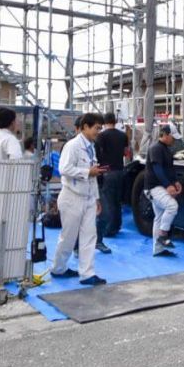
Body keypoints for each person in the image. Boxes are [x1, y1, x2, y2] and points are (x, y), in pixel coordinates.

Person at [50, 112, 107, 286]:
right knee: (68, 237)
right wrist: (86, 172)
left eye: (100, 128)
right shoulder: (72, 146)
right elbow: (64, 168)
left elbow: (93, 175)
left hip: (88, 198)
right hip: (72, 197)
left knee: (90, 236)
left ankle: (87, 274)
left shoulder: (91, 147)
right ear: (85, 127)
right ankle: (58, 268)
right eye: (96, 128)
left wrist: (96, 199)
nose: (98, 131)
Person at [93, 112, 129, 254]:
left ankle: (107, 229)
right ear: (115, 121)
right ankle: (116, 226)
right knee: (117, 200)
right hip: (120, 170)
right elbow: (127, 153)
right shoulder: (123, 136)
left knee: (106, 201)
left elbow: (97, 154)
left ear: (105, 122)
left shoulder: (101, 136)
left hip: (106, 171)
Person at [145, 125, 180, 257]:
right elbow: (157, 169)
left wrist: (175, 181)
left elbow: (168, 169)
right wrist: (168, 185)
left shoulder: (165, 149)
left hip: (157, 187)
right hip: (154, 187)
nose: (174, 140)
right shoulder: (156, 148)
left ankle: (158, 249)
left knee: (159, 217)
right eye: (172, 137)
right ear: (165, 134)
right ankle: (163, 234)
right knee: (172, 206)